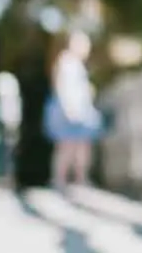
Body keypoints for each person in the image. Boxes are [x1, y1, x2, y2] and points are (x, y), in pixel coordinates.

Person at [43, 31, 101, 188]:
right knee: (68, 146)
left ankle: (77, 179)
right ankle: (61, 180)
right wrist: (69, 109)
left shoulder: (74, 63)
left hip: (79, 109)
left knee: (79, 146)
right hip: (70, 110)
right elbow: (63, 87)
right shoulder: (67, 61)